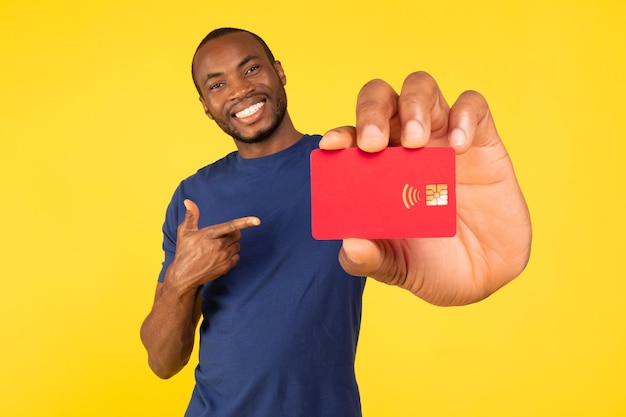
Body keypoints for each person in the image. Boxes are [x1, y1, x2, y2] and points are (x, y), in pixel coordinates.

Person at [140, 27, 532, 417]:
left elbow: (437, 202)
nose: (239, 90)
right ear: (206, 105)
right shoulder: (192, 199)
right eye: (217, 84)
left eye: (251, 69)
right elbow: (162, 362)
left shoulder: (350, 165)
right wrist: (180, 281)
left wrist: (446, 182)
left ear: (279, 71)